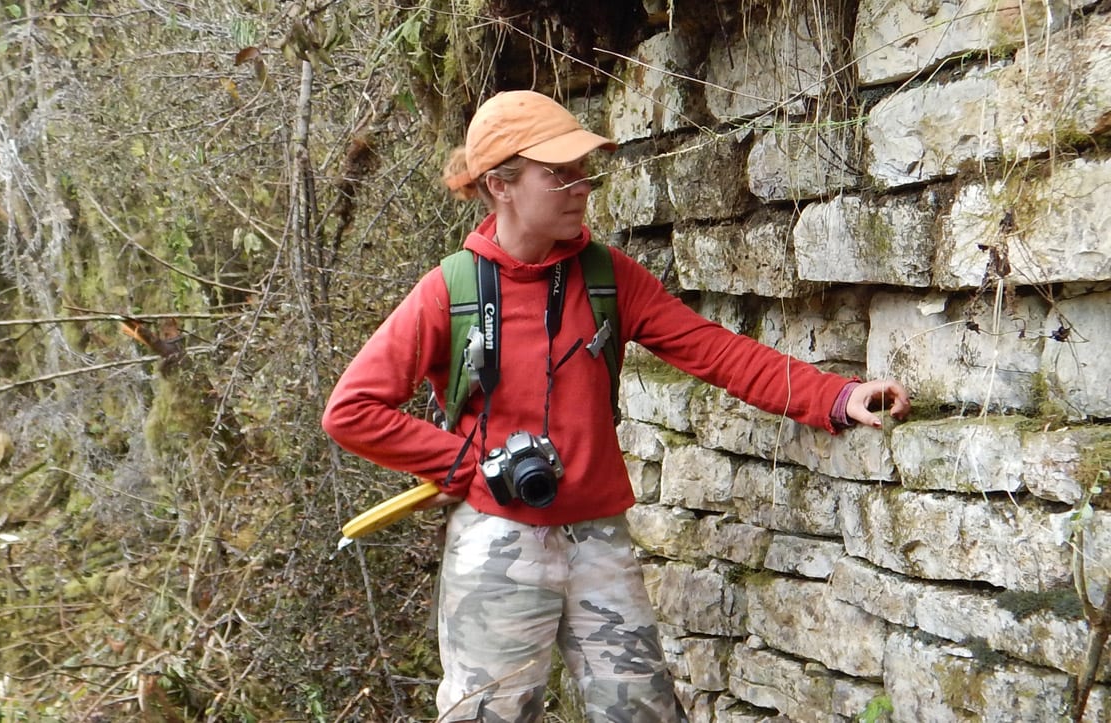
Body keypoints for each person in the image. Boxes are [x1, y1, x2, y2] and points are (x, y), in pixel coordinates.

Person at [320, 90, 910, 723]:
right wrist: (463, 464)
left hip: (597, 540)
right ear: (501, 185)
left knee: (642, 715)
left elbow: (717, 352)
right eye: (559, 174)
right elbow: (351, 410)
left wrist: (837, 396)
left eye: (582, 170)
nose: (581, 187)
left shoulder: (610, 277)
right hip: (495, 541)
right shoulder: (451, 291)